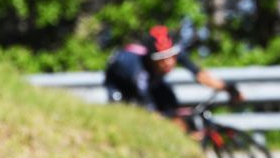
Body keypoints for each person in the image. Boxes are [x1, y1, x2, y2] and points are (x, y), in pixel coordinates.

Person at [104, 25, 243, 131]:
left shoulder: (173, 52)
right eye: (162, 60)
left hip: (153, 82)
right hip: (123, 86)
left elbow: (201, 75)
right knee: (146, 119)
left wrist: (228, 88)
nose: (169, 63)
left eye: (172, 57)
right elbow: (149, 107)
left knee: (173, 108)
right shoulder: (137, 68)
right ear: (152, 60)